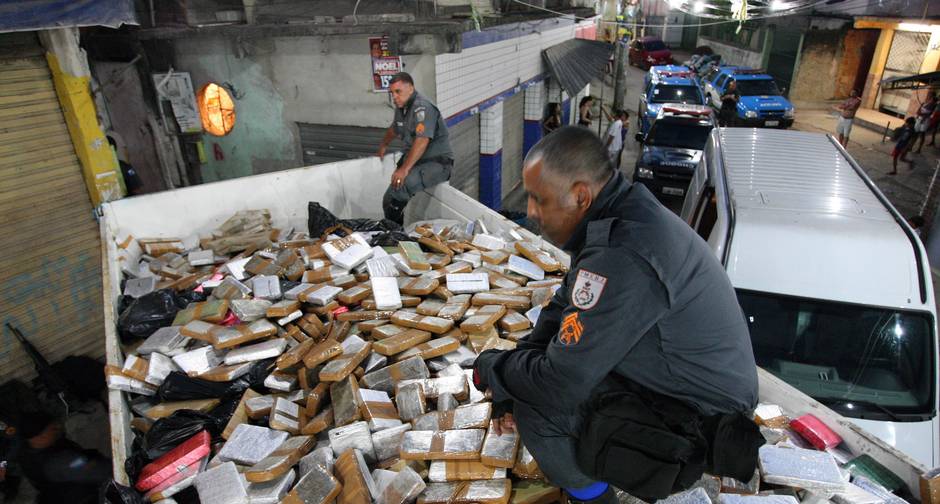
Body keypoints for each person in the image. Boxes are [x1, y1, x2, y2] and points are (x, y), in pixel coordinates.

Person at [473, 127, 761, 503]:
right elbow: (564, 310)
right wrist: (509, 374)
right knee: (539, 372)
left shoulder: (624, 253)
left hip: (704, 419)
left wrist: (495, 370)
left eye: (538, 199)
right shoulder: (619, 216)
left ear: (580, 196)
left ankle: (594, 499)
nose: (530, 212)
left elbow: (561, 384)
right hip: (685, 382)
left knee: (540, 408)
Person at [376, 72, 454, 225]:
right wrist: (384, 144)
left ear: (410, 88)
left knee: (401, 186)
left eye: (398, 92)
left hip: (437, 163)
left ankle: (394, 234)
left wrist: (404, 169)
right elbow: (395, 128)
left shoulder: (423, 107)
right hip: (417, 162)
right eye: (392, 93)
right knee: (388, 199)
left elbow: (422, 140)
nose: (395, 97)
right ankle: (394, 232)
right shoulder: (402, 107)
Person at [15, 412, 110, 504]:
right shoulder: (60, 462)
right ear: (41, 437)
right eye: (53, 429)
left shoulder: (26, 451)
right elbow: (101, 471)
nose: (59, 428)